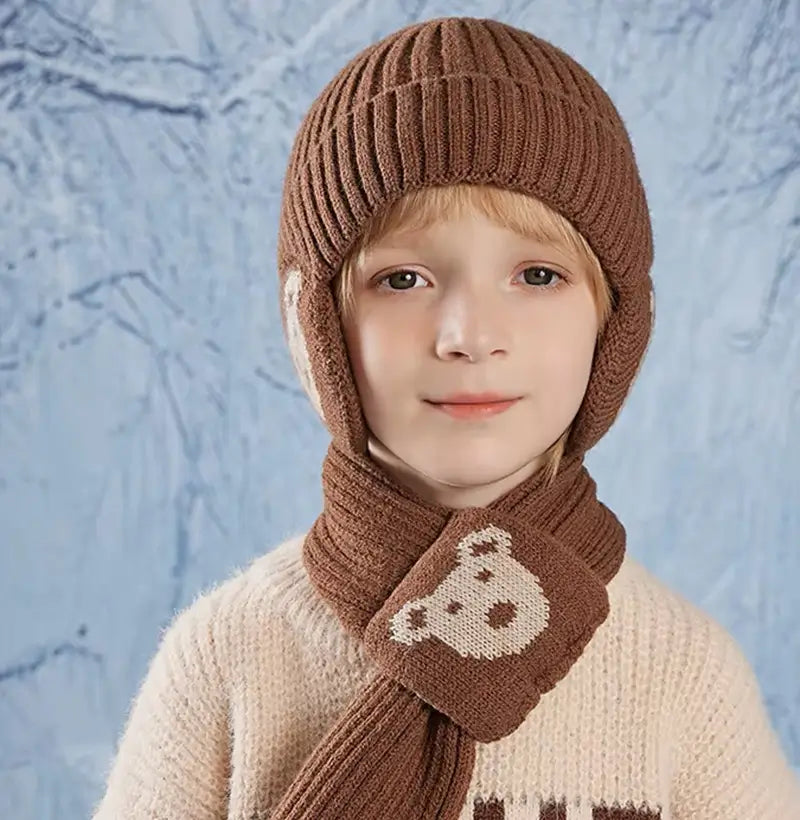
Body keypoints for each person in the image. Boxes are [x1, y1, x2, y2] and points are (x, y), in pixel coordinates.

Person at [91, 16, 800, 820]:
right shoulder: (229, 660)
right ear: (313, 326)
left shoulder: (681, 674)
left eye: (537, 274)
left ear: (615, 326)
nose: (471, 336)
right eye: (403, 279)